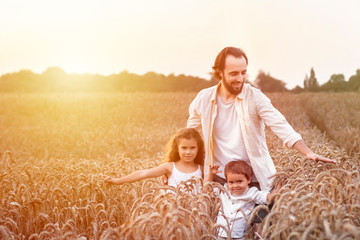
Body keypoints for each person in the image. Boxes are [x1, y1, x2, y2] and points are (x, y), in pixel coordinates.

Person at [186, 46, 336, 191]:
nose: (240, 79)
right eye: (234, 74)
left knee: (261, 216)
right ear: (220, 72)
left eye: (243, 73)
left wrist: (308, 152)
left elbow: (280, 124)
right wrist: (173, 169)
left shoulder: (255, 97)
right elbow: (189, 137)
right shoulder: (204, 98)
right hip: (218, 179)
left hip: (253, 178)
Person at [105, 128, 204, 188]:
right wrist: (117, 181)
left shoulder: (202, 169)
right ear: (177, 148)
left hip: (196, 216)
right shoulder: (169, 167)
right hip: (174, 215)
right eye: (184, 148)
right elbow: (143, 173)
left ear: (198, 149)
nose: (188, 152)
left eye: (192, 148)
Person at [205, 160, 281, 239]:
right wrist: (211, 174)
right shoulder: (223, 191)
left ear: (248, 180)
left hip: (240, 236)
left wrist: (273, 194)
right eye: (231, 182)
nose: (235, 186)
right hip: (220, 234)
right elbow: (207, 188)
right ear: (227, 182)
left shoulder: (251, 193)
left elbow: (265, 197)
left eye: (239, 181)